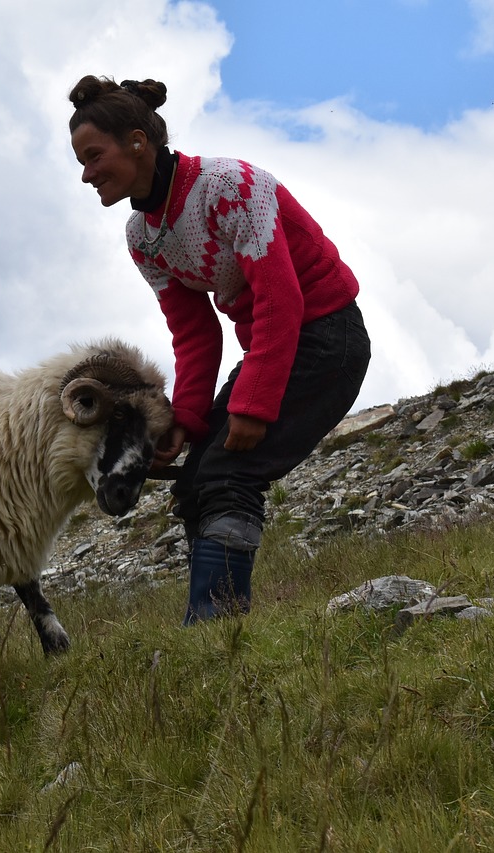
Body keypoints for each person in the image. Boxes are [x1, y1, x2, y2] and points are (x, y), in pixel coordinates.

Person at [67, 75, 371, 625]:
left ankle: (214, 625)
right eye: (80, 162)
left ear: (138, 142)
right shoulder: (142, 236)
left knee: (230, 472)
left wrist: (252, 407)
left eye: (94, 156)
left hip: (327, 340)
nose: (86, 173)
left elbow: (281, 300)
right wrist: (185, 419)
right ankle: (214, 630)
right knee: (195, 477)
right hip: (273, 351)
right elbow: (195, 334)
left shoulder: (231, 186)